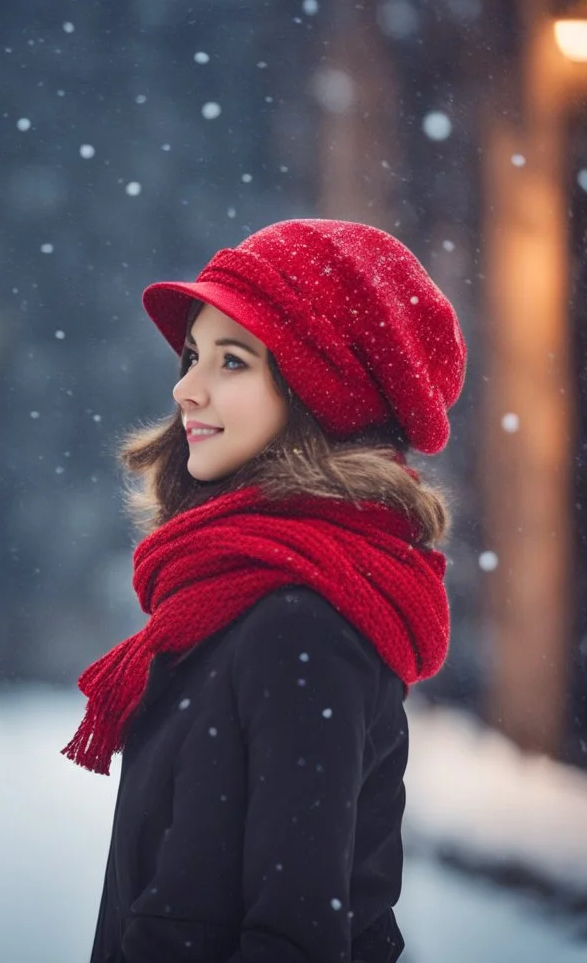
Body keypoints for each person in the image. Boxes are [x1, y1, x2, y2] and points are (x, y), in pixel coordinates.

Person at [63, 218, 466, 963]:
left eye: (233, 360)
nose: (186, 387)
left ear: (323, 394)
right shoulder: (232, 599)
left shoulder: (300, 626)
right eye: (191, 356)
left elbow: (296, 936)